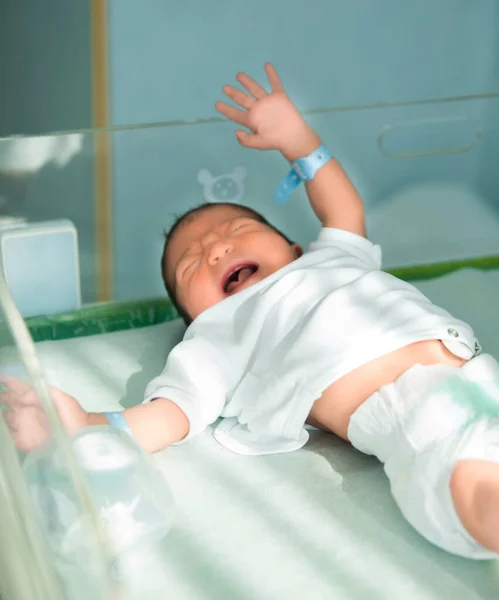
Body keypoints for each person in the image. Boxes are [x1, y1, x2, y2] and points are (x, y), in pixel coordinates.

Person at [2, 64, 499, 560]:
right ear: (192, 319)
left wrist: (299, 141)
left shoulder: (333, 256)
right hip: (408, 409)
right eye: (191, 263)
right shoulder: (218, 337)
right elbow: (171, 415)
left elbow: (343, 210)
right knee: (468, 480)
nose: (216, 248)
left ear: (294, 247)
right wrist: (89, 425)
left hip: (477, 368)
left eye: (236, 230)